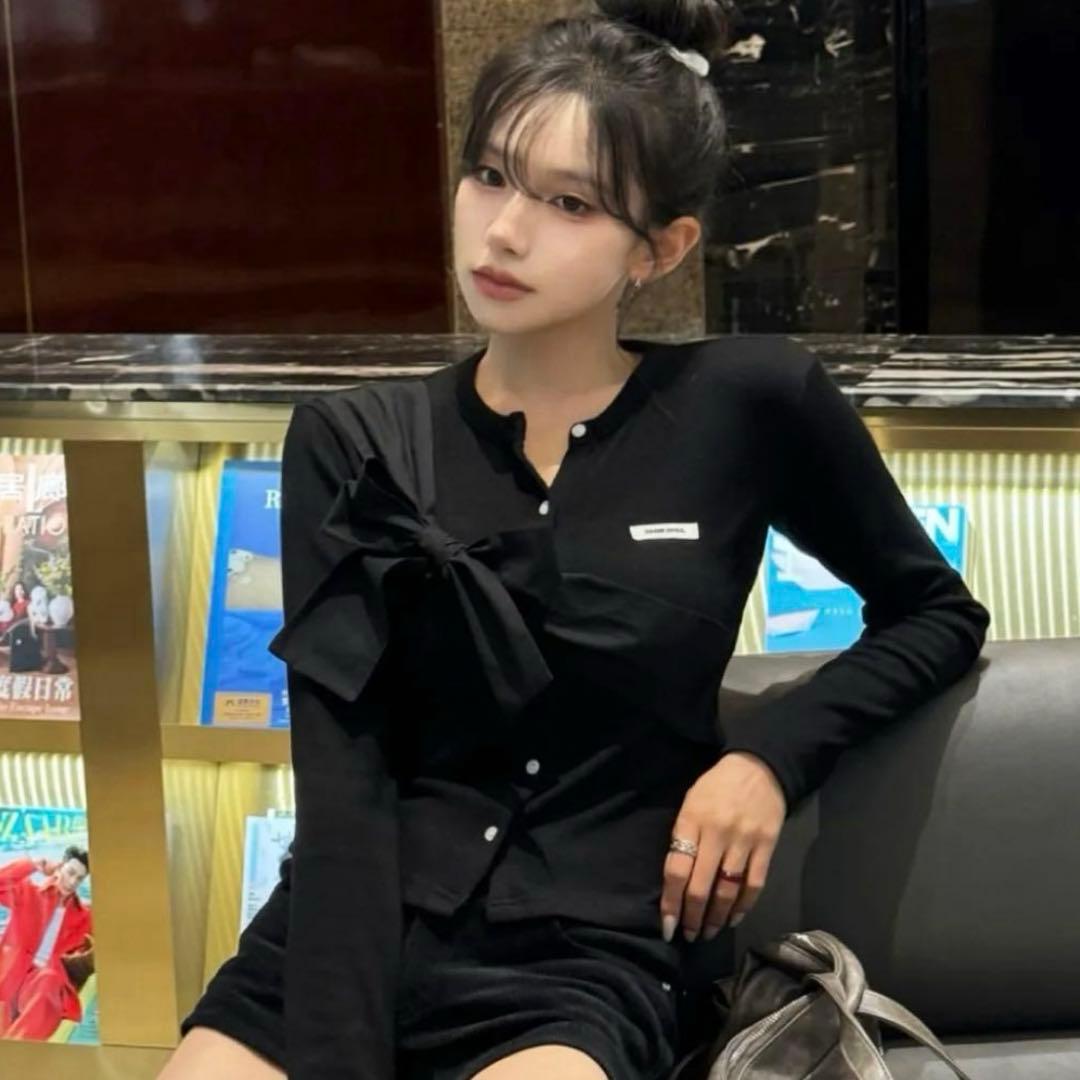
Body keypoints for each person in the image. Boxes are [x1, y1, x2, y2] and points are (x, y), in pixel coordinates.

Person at [161, 3, 990, 1078]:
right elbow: (344, 788)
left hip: (586, 962)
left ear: (663, 247)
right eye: (490, 176)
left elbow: (935, 614)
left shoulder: (749, 403)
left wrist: (766, 761)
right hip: (344, 934)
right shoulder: (354, 441)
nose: (504, 232)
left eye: (569, 203)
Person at [0, 846, 93, 1040]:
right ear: (60, 867)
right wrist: (34, 865)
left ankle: (16, 1050)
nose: (73, 882)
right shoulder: (29, 893)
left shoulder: (84, 915)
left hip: (42, 983)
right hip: (9, 977)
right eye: (70, 873)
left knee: (49, 980)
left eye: (79, 878)